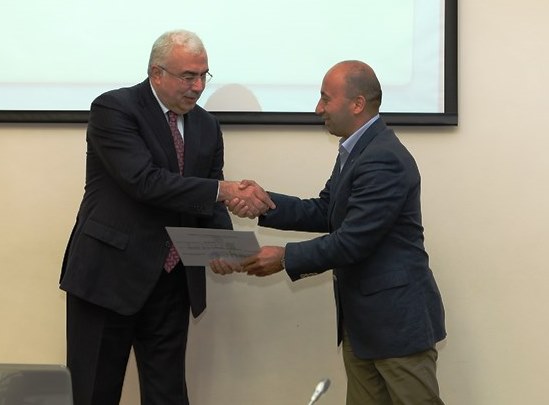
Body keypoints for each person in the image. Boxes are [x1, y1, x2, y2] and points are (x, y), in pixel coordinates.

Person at [59, 29, 274, 405]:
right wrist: (224, 190)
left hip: (171, 283)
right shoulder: (114, 109)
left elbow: (208, 196)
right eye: (188, 76)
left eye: (203, 75)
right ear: (156, 73)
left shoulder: (207, 126)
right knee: (94, 392)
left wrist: (224, 247)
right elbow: (144, 182)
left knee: (168, 395)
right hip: (109, 277)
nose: (198, 87)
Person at [215, 60, 446, 404]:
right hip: (364, 324)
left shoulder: (383, 158)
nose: (318, 108)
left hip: (395, 323)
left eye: (325, 98)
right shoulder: (357, 151)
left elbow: (353, 241)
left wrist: (285, 257)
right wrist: (265, 204)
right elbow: (327, 211)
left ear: (357, 104)